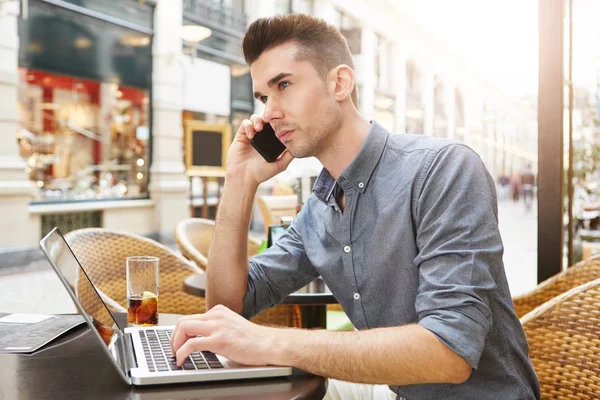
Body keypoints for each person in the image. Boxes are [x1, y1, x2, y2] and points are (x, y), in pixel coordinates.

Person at [170, 14, 540, 400]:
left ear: (339, 82)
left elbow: (450, 352)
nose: (268, 113)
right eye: (263, 96)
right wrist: (240, 182)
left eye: (283, 85)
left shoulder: (442, 168)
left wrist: (267, 341)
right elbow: (226, 306)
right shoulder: (320, 209)